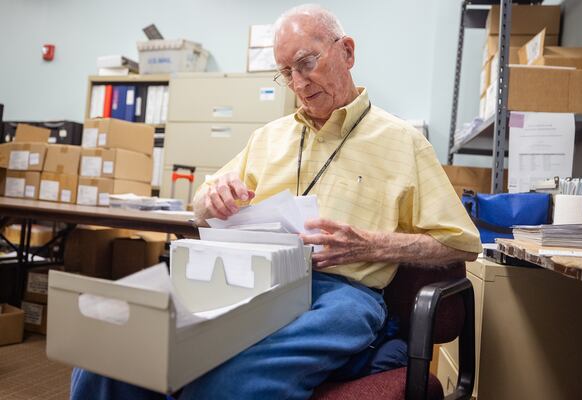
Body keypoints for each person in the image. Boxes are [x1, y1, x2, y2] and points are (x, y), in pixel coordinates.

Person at [71, 4, 482, 400]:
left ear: (347, 51)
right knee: (105, 354)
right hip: (248, 281)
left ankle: (356, 352)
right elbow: (197, 211)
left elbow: (461, 242)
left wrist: (372, 245)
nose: (299, 83)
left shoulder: (403, 141)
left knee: (227, 383)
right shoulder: (268, 137)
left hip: (341, 293)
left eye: (306, 63)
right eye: (286, 72)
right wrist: (211, 200)